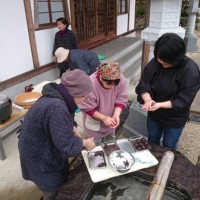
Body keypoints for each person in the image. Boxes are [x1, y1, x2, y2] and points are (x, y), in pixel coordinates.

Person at [18, 69, 96, 200]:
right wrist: (85, 143)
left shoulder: (58, 94)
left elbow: (66, 118)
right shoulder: (56, 106)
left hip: (40, 143)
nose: (85, 99)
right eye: (84, 96)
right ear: (75, 92)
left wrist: (73, 126)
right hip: (38, 154)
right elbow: (67, 146)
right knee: (52, 189)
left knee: (60, 178)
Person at [135, 33, 200, 150]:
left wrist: (159, 104)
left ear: (176, 58)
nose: (160, 61)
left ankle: (166, 166)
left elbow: (183, 99)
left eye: (164, 60)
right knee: (152, 141)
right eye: (159, 57)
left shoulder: (189, 70)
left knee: (169, 146)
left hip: (175, 117)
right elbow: (143, 85)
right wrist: (148, 99)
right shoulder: (157, 61)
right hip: (155, 114)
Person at [79, 62, 128, 145]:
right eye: (108, 84)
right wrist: (103, 118)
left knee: (110, 144)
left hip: (111, 121)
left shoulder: (120, 78)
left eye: (115, 84)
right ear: (101, 78)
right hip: (94, 123)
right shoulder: (90, 84)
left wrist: (116, 114)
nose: (112, 87)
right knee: (96, 148)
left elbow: (121, 98)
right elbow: (87, 108)